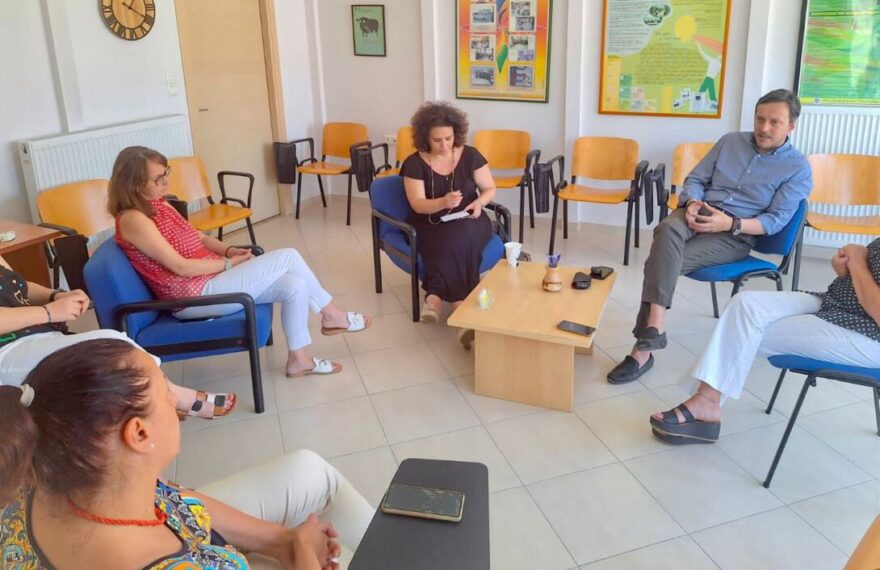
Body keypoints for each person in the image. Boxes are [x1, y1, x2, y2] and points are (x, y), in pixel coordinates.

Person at [0, 339, 374, 568]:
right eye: (167, 392)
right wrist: (306, 555)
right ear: (139, 433)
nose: (179, 403)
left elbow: (172, 498)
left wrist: (283, 541)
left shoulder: (43, 475)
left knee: (310, 469)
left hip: (183, 541)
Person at [108, 146, 371, 378]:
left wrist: (230, 250)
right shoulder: (133, 219)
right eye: (158, 178)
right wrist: (230, 264)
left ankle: (298, 360)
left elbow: (199, 237)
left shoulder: (158, 204)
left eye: (166, 173)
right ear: (134, 184)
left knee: (295, 285)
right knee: (288, 256)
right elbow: (181, 267)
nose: (166, 181)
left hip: (210, 281)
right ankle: (332, 315)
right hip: (192, 296)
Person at [607, 89, 813, 384]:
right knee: (667, 228)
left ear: (791, 126)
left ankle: (642, 351)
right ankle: (655, 327)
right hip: (697, 212)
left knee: (660, 262)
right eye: (760, 119)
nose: (764, 128)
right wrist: (692, 202)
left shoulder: (798, 168)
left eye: (774, 122)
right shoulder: (730, 141)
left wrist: (730, 223)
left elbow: (775, 221)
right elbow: (696, 179)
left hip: (735, 233)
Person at [650, 240, 880, 444]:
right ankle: (706, 403)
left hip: (867, 334)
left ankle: (706, 403)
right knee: (743, 305)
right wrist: (845, 268)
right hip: (834, 303)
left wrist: (858, 263)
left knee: (745, 331)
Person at [0, 254, 234, 420]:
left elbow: (19, 285)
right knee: (114, 350)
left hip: (35, 335)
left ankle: (168, 398)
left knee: (115, 356)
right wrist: (49, 312)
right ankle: (174, 397)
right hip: (6, 351)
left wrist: (56, 295)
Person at [400, 101, 498, 348]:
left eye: (449, 138)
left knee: (460, 236)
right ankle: (461, 309)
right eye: (437, 140)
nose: (444, 145)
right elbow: (418, 205)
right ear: (425, 137)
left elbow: (489, 188)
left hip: (471, 218)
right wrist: (443, 202)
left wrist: (479, 203)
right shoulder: (414, 164)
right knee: (452, 242)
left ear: (457, 134)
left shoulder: (471, 155)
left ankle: (435, 296)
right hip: (431, 221)